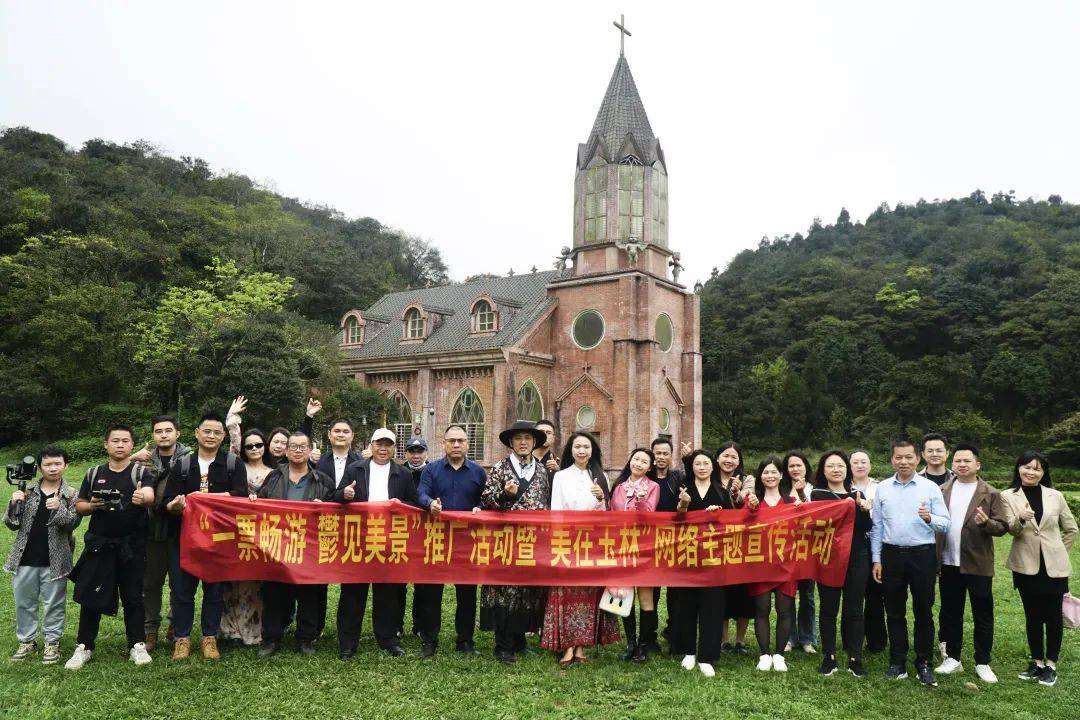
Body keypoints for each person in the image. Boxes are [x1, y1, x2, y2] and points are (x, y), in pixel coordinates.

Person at [65, 425, 156, 670]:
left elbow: (149, 495)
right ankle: (84, 646)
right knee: (90, 596)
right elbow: (80, 506)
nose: (120, 444)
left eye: (125, 441)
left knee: (133, 596)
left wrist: (143, 498)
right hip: (100, 545)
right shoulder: (94, 473)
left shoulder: (140, 472)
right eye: (115, 440)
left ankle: (136, 644)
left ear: (131, 445)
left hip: (132, 546)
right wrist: (93, 505)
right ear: (105, 444)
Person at [162, 412, 248, 661]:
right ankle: (182, 639)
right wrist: (175, 506)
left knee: (214, 591)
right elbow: (168, 501)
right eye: (207, 431)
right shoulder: (182, 465)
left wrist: (203, 499)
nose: (211, 436)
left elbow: (240, 497)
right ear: (197, 433)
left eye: (217, 432)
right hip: (185, 539)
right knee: (182, 591)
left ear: (223, 436)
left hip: (219, 540)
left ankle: (209, 638)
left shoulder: (232, 464)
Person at [333, 427, 420, 659]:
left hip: (390, 540)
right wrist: (345, 495)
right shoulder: (355, 469)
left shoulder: (403, 474)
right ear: (371, 446)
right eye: (379, 444)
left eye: (388, 445)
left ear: (394, 449)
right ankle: (348, 643)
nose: (383, 449)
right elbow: (336, 495)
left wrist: (400, 503)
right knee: (352, 593)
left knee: (388, 593)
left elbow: (413, 502)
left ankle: (387, 638)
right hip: (359, 538)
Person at [870, 438, 950, 686]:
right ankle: (897, 661)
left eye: (908, 457)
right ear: (892, 459)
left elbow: (945, 523)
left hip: (922, 555)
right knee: (894, 612)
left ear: (917, 459)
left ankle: (924, 662)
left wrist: (930, 519)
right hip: (891, 555)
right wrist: (876, 559)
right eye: (898, 457)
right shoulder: (882, 488)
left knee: (923, 611)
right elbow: (877, 527)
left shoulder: (929, 488)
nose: (903, 462)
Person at [933, 443, 1011, 684]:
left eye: (967, 461)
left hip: (977, 564)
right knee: (951, 611)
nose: (962, 465)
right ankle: (953, 658)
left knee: (982, 613)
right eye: (957, 461)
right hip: (948, 562)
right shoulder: (942, 489)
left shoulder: (990, 493)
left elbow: (1002, 527)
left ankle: (982, 661)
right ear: (951, 464)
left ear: (978, 464)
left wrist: (987, 522)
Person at [254, 431, 336, 656]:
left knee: (309, 595)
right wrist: (253, 500)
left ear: (310, 451)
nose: (298, 451)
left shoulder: (323, 480)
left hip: (309, 549)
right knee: (274, 594)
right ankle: (271, 638)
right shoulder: (274, 477)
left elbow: (335, 514)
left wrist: (325, 506)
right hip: (278, 546)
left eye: (303, 447)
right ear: (286, 450)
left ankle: (306, 639)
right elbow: (259, 504)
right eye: (293, 446)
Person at [541, 432, 618, 667]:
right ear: (571, 451)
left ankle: (581, 645)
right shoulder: (561, 476)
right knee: (564, 592)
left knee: (587, 593)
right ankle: (566, 645)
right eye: (577, 447)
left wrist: (601, 498)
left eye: (586, 446)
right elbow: (555, 509)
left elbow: (607, 515)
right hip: (567, 540)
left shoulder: (600, 476)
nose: (582, 451)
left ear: (592, 450)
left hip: (591, 543)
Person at [1000, 450, 1077, 687]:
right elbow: (1011, 530)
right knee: (1032, 616)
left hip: (1054, 567)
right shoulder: (1007, 496)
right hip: (1025, 565)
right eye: (1027, 466)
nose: (1031, 472)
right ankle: (1036, 662)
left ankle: (1051, 664)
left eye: (1037, 468)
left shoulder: (1055, 495)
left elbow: (1072, 529)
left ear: (1043, 472)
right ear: (1019, 468)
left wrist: (1057, 551)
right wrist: (1021, 518)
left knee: (1053, 616)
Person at [479, 420, 552, 664]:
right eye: (518, 438)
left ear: (534, 443)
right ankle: (503, 645)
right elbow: (486, 499)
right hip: (505, 539)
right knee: (504, 591)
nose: (523, 442)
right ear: (511, 442)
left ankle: (520, 640)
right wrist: (504, 495)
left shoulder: (541, 471)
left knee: (527, 590)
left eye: (528, 439)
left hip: (532, 540)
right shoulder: (500, 468)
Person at [415, 425, 489, 657]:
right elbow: (421, 493)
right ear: (444, 443)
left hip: (467, 541)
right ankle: (429, 640)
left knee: (467, 594)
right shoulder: (432, 470)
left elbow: (486, 499)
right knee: (431, 592)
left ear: (467, 443)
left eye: (460, 441)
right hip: (437, 539)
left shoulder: (478, 472)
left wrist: (481, 507)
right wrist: (430, 504)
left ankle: (465, 640)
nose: (456, 445)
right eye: (451, 441)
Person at [5, 445, 80, 664]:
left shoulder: (71, 494)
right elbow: (11, 524)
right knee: (24, 602)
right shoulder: (27, 492)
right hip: (24, 557)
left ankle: (52, 642)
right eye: (48, 464)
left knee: (54, 603)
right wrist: (14, 503)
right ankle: (27, 641)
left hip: (55, 560)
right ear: (39, 467)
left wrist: (59, 508)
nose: (53, 468)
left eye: (58, 463)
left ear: (66, 465)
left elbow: (73, 523)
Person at [671, 449, 742, 677]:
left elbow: (732, 522)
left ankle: (707, 656)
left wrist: (717, 513)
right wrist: (683, 505)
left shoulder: (721, 492)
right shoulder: (684, 489)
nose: (701, 467)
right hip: (688, 556)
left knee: (712, 607)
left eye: (705, 463)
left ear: (713, 467)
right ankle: (689, 651)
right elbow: (675, 519)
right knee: (686, 605)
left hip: (714, 559)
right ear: (692, 467)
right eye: (697, 464)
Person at [129, 415, 190, 653]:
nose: (163, 435)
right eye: (158, 431)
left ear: (178, 433)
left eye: (168, 430)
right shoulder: (144, 460)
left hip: (180, 530)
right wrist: (133, 456)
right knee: (151, 582)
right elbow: (115, 469)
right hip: (150, 529)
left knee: (179, 582)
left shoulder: (189, 460)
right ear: (153, 435)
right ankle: (150, 629)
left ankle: (176, 626)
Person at [810, 449, 872, 678]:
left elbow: (866, 529)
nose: (836, 470)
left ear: (847, 470)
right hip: (828, 559)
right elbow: (813, 525)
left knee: (855, 609)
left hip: (857, 559)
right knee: (828, 609)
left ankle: (855, 658)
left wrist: (864, 510)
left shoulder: (857, 495)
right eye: (830, 466)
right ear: (823, 471)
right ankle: (829, 656)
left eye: (840, 466)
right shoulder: (816, 495)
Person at [219, 428, 273, 647]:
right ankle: (230, 631)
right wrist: (232, 423)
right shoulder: (236, 468)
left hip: (262, 535)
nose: (254, 449)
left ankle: (253, 632)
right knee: (231, 582)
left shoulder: (275, 472)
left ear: (265, 447)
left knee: (254, 584)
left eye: (258, 445)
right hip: (235, 532)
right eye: (249, 446)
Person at [609, 446, 659, 662]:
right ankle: (630, 644)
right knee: (623, 595)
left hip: (644, 547)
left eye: (644, 461)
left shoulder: (653, 486)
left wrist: (640, 499)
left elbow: (649, 514)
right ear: (630, 460)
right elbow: (612, 515)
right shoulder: (619, 487)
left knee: (646, 598)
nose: (639, 463)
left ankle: (643, 646)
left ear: (650, 467)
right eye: (636, 459)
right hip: (621, 547)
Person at [745, 456, 793, 672]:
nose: (770, 476)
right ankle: (764, 654)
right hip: (760, 564)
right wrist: (750, 509)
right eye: (766, 472)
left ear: (781, 475)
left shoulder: (792, 502)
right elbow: (742, 527)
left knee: (785, 611)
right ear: (760, 476)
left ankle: (780, 655)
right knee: (761, 610)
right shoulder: (753, 501)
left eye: (774, 472)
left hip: (786, 564)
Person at [715, 442, 752, 653]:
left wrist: (736, 493)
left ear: (739, 460)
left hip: (741, 543)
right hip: (717, 544)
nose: (729, 460)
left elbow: (746, 504)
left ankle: (740, 640)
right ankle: (724, 640)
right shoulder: (710, 478)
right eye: (725, 456)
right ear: (718, 458)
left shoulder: (747, 480)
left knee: (742, 592)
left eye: (734, 457)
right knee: (721, 591)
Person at [850, 449, 886, 654]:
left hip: (877, 545)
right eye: (855, 462)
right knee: (853, 597)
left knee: (875, 595)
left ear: (870, 465)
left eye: (864, 461)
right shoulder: (844, 487)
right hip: (853, 547)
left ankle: (876, 641)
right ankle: (851, 640)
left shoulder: (881, 487)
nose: (860, 465)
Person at [783, 450, 817, 655]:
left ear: (806, 466)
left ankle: (807, 638)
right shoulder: (781, 489)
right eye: (791, 466)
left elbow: (815, 513)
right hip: (785, 548)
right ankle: (789, 637)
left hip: (808, 548)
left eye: (799, 465)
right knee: (787, 595)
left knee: (807, 595)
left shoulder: (815, 487)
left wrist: (803, 493)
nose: (795, 469)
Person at [651, 436, 684, 648]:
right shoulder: (644, 477)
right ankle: (650, 635)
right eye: (658, 453)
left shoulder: (678, 478)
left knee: (675, 592)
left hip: (674, 542)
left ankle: (674, 633)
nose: (661, 457)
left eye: (665, 453)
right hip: (649, 543)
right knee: (651, 592)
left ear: (671, 456)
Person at [315, 418, 362, 487]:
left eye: (346, 432)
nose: (341, 435)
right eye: (337, 431)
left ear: (352, 436)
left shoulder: (361, 461)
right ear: (329, 434)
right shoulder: (318, 461)